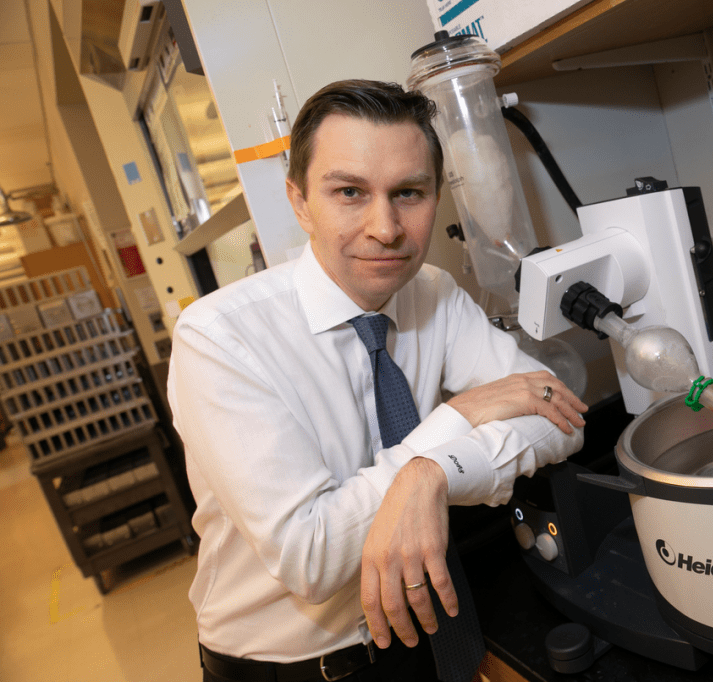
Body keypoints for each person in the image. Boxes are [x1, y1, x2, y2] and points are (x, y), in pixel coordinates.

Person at [167, 79, 587, 682]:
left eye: (409, 193)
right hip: (292, 668)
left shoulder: (432, 294)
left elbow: (560, 413)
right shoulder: (218, 337)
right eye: (350, 192)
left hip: (423, 631)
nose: (385, 228)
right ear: (300, 201)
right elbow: (309, 557)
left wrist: (434, 474)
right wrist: (456, 421)